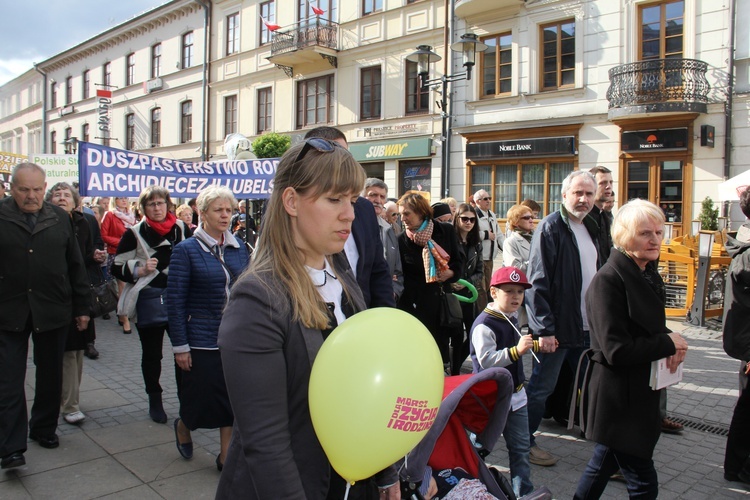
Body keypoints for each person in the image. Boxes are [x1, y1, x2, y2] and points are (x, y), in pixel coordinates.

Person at [215, 138, 399, 499]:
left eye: (352, 199)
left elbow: (366, 388)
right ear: (291, 201)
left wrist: (386, 471)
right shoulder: (257, 298)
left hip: (350, 477)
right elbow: (266, 442)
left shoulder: (342, 273)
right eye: (334, 199)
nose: (349, 213)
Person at [573, 199, 688, 499]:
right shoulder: (608, 280)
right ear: (625, 236)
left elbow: (645, 325)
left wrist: (670, 338)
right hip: (619, 399)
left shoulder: (645, 272)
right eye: (645, 233)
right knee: (643, 481)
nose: (654, 240)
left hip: (638, 393)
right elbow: (616, 349)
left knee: (602, 465)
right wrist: (666, 342)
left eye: (659, 232)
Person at [0, 163, 90, 469]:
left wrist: (82, 308)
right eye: (24, 189)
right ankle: (11, 447)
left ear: (44, 187)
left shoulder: (58, 219)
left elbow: (75, 264)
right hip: (8, 311)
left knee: (50, 374)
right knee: (8, 380)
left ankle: (44, 428)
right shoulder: (1, 215)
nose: (31, 196)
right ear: (12, 188)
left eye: (38, 189)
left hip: (52, 308)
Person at [167, 186, 249, 471]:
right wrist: (180, 346)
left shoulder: (239, 249)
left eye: (229, 210)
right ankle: (184, 425)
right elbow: (175, 301)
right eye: (219, 210)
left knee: (229, 397)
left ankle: (225, 455)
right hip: (200, 339)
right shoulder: (186, 251)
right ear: (202, 214)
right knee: (198, 400)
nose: (226, 215)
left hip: (232, 337)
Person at [524, 170, 601, 466]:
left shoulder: (593, 226)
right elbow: (537, 284)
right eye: (578, 193)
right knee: (542, 387)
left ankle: (598, 439)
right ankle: (524, 441)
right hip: (556, 329)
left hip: (588, 326)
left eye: (589, 194)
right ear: (564, 195)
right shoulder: (550, 227)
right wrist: (544, 330)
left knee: (593, 386)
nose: (583, 199)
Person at [112, 185, 192, 424]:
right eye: (152, 204)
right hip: (149, 300)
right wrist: (139, 268)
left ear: (169, 205)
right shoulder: (134, 233)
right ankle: (154, 399)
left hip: (179, 299)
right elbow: (115, 265)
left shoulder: (181, 228)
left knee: (183, 351)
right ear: (144, 208)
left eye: (161, 203)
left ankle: (185, 400)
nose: (157, 208)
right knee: (152, 354)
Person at [304, 126, 394, 308]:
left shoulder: (365, 209)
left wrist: (384, 320)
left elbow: (378, 270)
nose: (348, 215)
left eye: (347, 158)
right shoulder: (298, 216)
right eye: (334, 200)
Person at [471, 267, 540, 498]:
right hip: (490, 399)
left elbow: (519, 349)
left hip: (517, 397)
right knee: (478, 449)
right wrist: (516, 351)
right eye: (509, 291)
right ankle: (466, 486)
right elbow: (488, 361)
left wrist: (538, 346)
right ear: (493, 292)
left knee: (520, 450)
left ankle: (523, 493)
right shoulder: (485, 324)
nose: (516, 297)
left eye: (520, 292)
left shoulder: (511, 317)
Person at [45, 183, 107, 425]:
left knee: (75, 350)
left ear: (75, 201)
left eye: (66, 195)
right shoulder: (44, 222)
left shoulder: (85, 222)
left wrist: (96, 255)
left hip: (78, 294)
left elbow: (90, 250)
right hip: (51, 296)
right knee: (55, 352)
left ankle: (70, 401)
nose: (62, 198)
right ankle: (64, 400)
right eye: (57, 194)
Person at [397, 192, 464, 374]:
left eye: (407, 214)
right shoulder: (401, 240)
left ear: (421, 212)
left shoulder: (445, 231)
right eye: (401, 214)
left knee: (442, 355)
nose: (403, 218)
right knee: (421, 356)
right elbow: (403, 275)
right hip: (416, 309)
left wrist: (450, 273)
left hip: (441, 305)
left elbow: (459, 262)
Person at [723, 187, 750, 485]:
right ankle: (739, 466)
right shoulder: (748, 255)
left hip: (746, 341)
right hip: (748, 343)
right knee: (747, 407)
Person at [451, 202, 483, 375]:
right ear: (457, 219)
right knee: (456, 335)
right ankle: (454, 371)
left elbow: (480, 272)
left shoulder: (476, 244)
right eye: (464, 219)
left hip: (469, 294)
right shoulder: (450, 240)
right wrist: (451, 281)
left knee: (473, 334)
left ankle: (456, 362)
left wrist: (466, 282)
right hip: (452, 294)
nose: (468, 222)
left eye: (472, 220)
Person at [363, 178, 404, 302]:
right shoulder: (352, 226)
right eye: (373, 195)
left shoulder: (389, 230)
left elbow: (398, 272)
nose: (378, 200)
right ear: (361, 197)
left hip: (383, 301)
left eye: (382, 196)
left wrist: (393, 292)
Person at [101, 196, 136, 334]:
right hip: (117, 253)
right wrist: (121, 242)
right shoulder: (110, 215)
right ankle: (124, 316)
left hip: (132, 254)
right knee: (122, 285)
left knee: (131, 285)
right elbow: (104, 235)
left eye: (126, 198)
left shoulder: (132, 216)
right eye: (120, 198)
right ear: (114, 200)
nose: (124, 200)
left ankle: (125, 312)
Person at [503, 204, 535, 327]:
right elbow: (515, 268)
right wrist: (537, 262)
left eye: (531, 216)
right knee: (519, 327)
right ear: (516, 222)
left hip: (537, 287)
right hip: (521, 289)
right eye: (526, 218)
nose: (531, 220)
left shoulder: (537, 236)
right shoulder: (511, 242)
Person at [474, 189, 502, 311]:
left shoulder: (491, 215)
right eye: (485, 199)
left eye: (489, 198)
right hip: (479, 258)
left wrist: (506, 247)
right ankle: (482, 313)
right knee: (481, 288)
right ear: (477, 201)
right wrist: (486, 235)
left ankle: (487, 311)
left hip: (490, 258)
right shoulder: (474, 215)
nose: (488, 201)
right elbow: (471, 233)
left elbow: (498, 234)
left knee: (487, 287)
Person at [588, 166, 614, 263]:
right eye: (603, 183)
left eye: (611, 182)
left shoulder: (605, 216)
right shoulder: (583, 218)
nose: (608, 186)